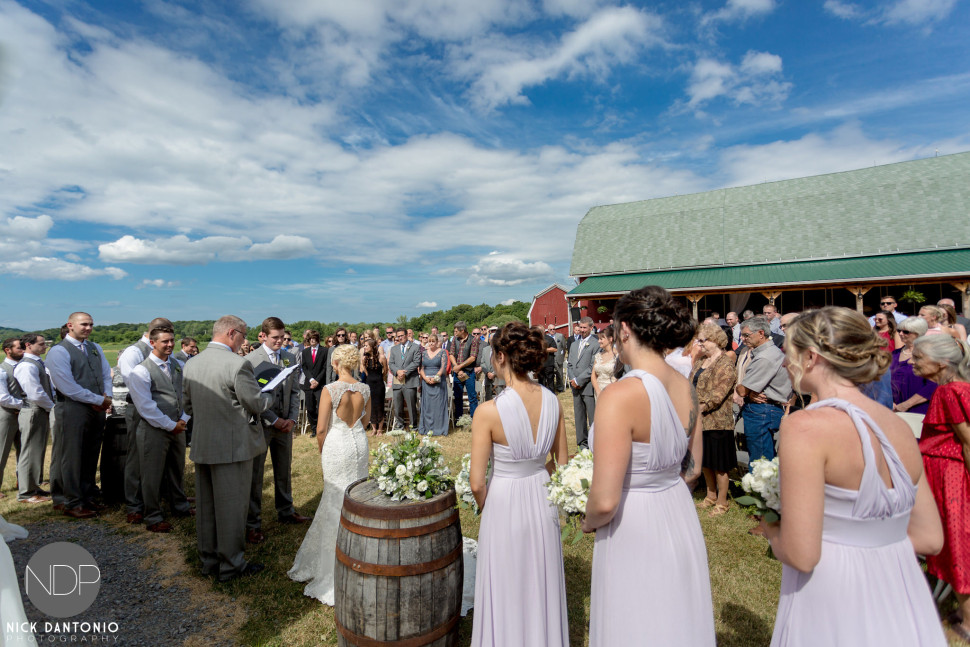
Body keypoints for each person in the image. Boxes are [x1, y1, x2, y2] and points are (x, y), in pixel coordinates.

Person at [762, 307, 946, 647]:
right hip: (901, 588)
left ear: (811, 356)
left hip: (834, 591)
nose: (786, 364)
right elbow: (930, 538)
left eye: (789, 354)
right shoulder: (899, 428)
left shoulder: (805, 426)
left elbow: (803, 554)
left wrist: (772, 530)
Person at [582, 285, 713, 646]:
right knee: (674, 615)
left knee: (636, 618)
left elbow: (606, 501)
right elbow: (693, 470)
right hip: (676, 509)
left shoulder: (620, 394)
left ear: (624, 330)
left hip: (632, 521)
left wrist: (587, 520)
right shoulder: (686, 385)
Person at [469, 322, 569, 647]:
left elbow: (476, 483)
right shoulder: (554, 402)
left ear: (500, 356)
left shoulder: (487, 411)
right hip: (543, 496)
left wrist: (487, 504)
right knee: (541, 578)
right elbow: (562, 466)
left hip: (504, 500)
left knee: (505, 579)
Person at [183, 315, 272, 582]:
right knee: (232, 510)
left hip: (203, 443)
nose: (244, 341)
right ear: (232, 333)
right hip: (233, 446)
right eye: (244, 336)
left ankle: (208, 560)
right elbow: (254, 403)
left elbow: (188, 407)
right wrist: (268, 396)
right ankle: (232, 566)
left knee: (207, 508)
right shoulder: (238, 364)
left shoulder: (192, 363)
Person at [288, 345, 370, 605]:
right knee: (357, 497)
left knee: (335, 497)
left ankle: (333, 566)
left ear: (335, 363)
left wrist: (323, 449)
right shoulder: (364, 388)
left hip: (337, 444)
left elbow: (321, 428)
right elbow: (365, 422)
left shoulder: (330, 389)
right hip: (359, 442)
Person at [912, 334, 970, 641]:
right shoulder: (954, 389)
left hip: (951, 478)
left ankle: (968, 621)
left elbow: (968, 442)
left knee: (957, 543)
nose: (913, 361)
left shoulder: (950, 391)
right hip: (947, 474)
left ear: (942, 363)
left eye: (919, 357)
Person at [245, 317, 309, 546]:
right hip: (262, 425)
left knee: (284, 469)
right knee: (256, 475)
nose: (280, 341)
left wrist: (292, 418)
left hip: (285, 424)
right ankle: (252, 523)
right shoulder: (251, 360)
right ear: (263, 336)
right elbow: (251, 397)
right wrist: (273, 420)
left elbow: (293, 392)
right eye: (275, 337)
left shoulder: (290, 357)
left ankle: (286, 510)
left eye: (282, 337)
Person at [126, 325, 193, 533]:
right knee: (151, 474)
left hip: (178, 426)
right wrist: (170, 425)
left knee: (176, 469)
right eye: (165, 341)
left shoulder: (178, 365)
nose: (170, 345)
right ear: (152, 343)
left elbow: (185, 395)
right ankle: (152, 515)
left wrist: (183, 419)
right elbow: (145, 406)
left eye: (172, 340)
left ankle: (180, 507)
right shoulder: (141, 370)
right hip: (154, 429)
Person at [46, 312, 112, 518]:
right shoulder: (58, 352)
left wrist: (106, 396)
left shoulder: (95, 348)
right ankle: (70, 501)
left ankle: (87, 495)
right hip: (73, 408)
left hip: (97, 407)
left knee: (91, 454)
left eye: (91, 324)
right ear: (70, 325)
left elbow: (105, 374)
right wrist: (97, 400)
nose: (88, 328)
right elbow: (67, 386)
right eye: (84, 324)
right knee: (71, 457)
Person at [117, 317, 173, 525]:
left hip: (163, 411)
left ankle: (162, 497)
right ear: (152, 334)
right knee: (136, 457)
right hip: (140, 408)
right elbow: (134, 385)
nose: (169, 341)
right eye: (164, 333)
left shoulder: (167, 350)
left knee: (159, 459)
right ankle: (134, 504)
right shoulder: (134, 352)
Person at [690, 322, 737, 517]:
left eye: (703, 341)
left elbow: (719, 393)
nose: (699, 344)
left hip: (718, 421)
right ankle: (710, 495)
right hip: (701, 421)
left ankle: (722, 501)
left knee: (720, 465)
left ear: (715, 340)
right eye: (699, 341)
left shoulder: (725, 363)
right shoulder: (702, 362)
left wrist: (699, 408)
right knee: (706, 461)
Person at [737, 315, 792, 468]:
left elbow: (741, 390)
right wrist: (749, 391)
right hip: (766, 408)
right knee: (763, 459)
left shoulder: (765, 357)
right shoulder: (768, 352)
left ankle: (761, 491)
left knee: (760, 463)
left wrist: (745, 389)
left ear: (761, 333)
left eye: (746, 335)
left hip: (762, 411)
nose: (743, 338)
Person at [15, 334, 53, 504]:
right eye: (42, 344)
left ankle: (34, 486)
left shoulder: (36, 363)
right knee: (29, 451)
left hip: (39, 410)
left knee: (37, 450)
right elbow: (35, 393)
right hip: (33, 411)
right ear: (29, 345)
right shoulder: (26, 366)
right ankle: (25, 492)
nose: (45, 346)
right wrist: (52, 407)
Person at [891, 317, 936, 414]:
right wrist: (889, 402)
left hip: (918, 410)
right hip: (893, 410)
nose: (900, 334)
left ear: (918, 333)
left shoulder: (927, 355)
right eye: (899, 330)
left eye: (906, 332)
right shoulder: (894, 354)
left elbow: (933, 385)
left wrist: (907, 404)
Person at [566, 317, 596, 448]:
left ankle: (595, 443)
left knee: (593, 417)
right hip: (575, 386)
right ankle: (582, 445)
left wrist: (579, 380)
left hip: (588, 386)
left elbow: (592, 366)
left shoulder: (596, 344)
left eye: (585, 328)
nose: (582, 330)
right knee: (579, 417)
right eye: (581, 327)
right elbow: (570, 364)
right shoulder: (574, 344)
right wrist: (573, 380)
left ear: (591, 327)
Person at [0, 338, 24, 499]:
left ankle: (23, 482)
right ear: (8, 350)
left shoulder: (25, 367)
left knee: (24, 450)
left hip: (23, 414)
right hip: (6, 415)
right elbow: (3, 397)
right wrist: (25, 406)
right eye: (19, 347)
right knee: (1, 452)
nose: (23, 349)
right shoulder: (2, 370)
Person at [388, 328, 420, 430]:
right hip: (397, 381)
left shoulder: (415, 347)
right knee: (397, 407)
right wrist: (397, 372)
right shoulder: (394, 349)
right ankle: (400, 427)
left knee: (411, 407)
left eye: (402, 335)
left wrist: (404, 372)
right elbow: (391, 363)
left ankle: (413, 427)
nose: (400, 338)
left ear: (407, 335)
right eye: (398, 336)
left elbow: (416, 362)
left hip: (410, 380)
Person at [418, 333, 448, 436]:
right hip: (426, 382)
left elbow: (443, 368)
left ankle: (439, 428)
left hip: (438, 383)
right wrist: (426, 378)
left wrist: (435, 378)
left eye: (433, 341)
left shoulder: (442, 352)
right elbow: (421, 368)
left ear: (437, 342)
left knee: (438, 406)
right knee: (428, 406)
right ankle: (427, 428)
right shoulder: (424, 353)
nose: (431, 343)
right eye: (429, 341)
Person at [449, 321, 480, 423]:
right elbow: (451, 354)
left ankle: (474, 420)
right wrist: (456, 368)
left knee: (472, 398)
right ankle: (459, 420)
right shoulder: (455, 339)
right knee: (458, 397)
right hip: (457, 373)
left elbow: (472, 357)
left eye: (456, 331)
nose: (455, 333)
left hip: (469, 373)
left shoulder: (473, 340)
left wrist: (460, 367)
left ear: (462, 330)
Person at [301, 331, 326, 438]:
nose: (312, 340)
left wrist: (317, 381)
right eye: (310, 338)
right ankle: (314, 429)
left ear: (317, 339)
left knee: (321, 407)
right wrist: (311, 380)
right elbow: (304, 367)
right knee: (310, 408)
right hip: (309, 384)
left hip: (320, 384)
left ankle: (322, 428)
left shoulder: (325, 351)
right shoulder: (305, 352)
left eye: (314, 338)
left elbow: (325, 367)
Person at [359, 338, 387, 434]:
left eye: (366, 346)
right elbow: (364, 371)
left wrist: (379, 378)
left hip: (379, 384)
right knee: (371, 406)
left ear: (372, 347)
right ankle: (374, 428)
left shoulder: (381, 357)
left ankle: (380, 429)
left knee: (379, 405)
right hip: (369, 384)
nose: (365, 347)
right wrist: (370, 378)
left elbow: (385, 371)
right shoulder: (364, 358)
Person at [591, 325, 618, 399]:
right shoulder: (598, 355)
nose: (598, 341)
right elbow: (593, 375)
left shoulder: (618, 356)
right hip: (598, 391)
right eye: (598, 339)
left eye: (601, 339)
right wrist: (597, 390)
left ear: (610, 339)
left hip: (612, 392)